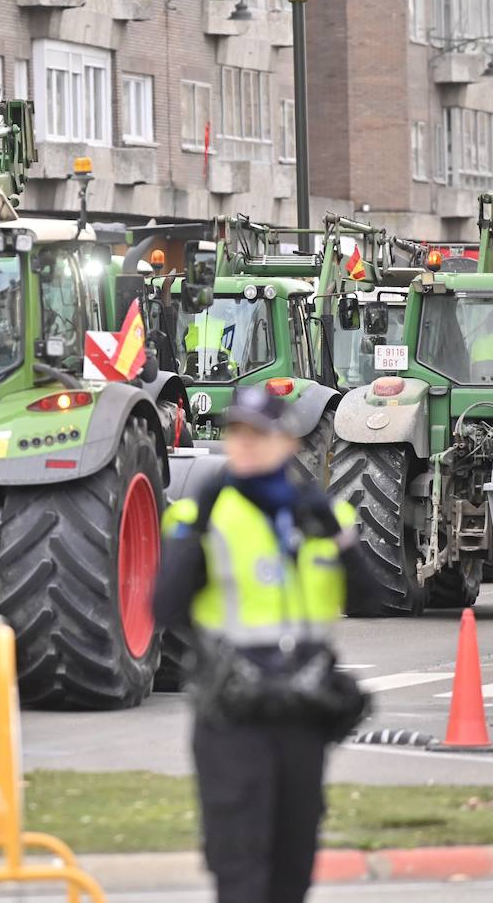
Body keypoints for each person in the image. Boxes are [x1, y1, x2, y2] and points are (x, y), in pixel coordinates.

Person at [151, 386, 372, 903]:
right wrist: (200, 523)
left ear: (288, 442)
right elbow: (164, 607)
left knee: (291, 873)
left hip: (301, 715)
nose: (244, 446)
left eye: (258, 435)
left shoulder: (319, 516)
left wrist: (336, 538)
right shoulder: (202, 516)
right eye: (236, 434)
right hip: (234, 716)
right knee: (242, 873)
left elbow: (367, 598)